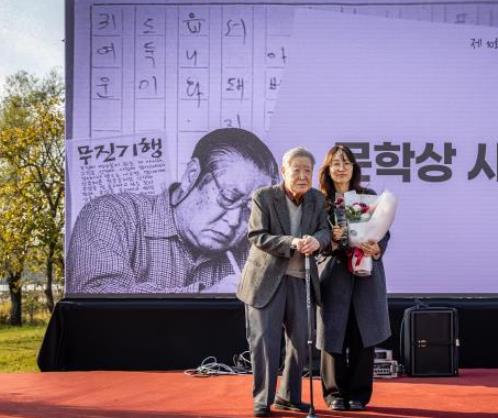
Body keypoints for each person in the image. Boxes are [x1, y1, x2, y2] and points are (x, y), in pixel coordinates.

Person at [67, 128, 279, 294]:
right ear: (192, 175)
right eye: (228, 197)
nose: (234, 221)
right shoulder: (111, 215)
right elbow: (97, 299)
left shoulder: (253, 250)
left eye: (250, 209)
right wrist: (205, 298)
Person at [236, 147, 330, 417]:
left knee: (301, 341)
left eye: (307, 171)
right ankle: (262, 400)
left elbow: (324, 230)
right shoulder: (264, 197)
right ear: (283, 171)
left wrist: (317, 241)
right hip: (266, 280)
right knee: (265, 342)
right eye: (296, 170)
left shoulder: (317, 199)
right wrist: (292, 242)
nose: (302, 176)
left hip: (301, 280)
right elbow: (257, 235)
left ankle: (289, 397)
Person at [316, 144, 391, 411]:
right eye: (336, 163)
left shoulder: (367, 196)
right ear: (328, 169)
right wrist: (331, 239)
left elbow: (384, 232)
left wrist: (377, 247)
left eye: (346, 163)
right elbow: (313, 237)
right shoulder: (319, 201)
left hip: (365, 274)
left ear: (354, 168)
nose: (341, 168)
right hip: (334, 275)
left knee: (363, 333)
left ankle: (359, 394)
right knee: (333, 333)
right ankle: (334, 393)